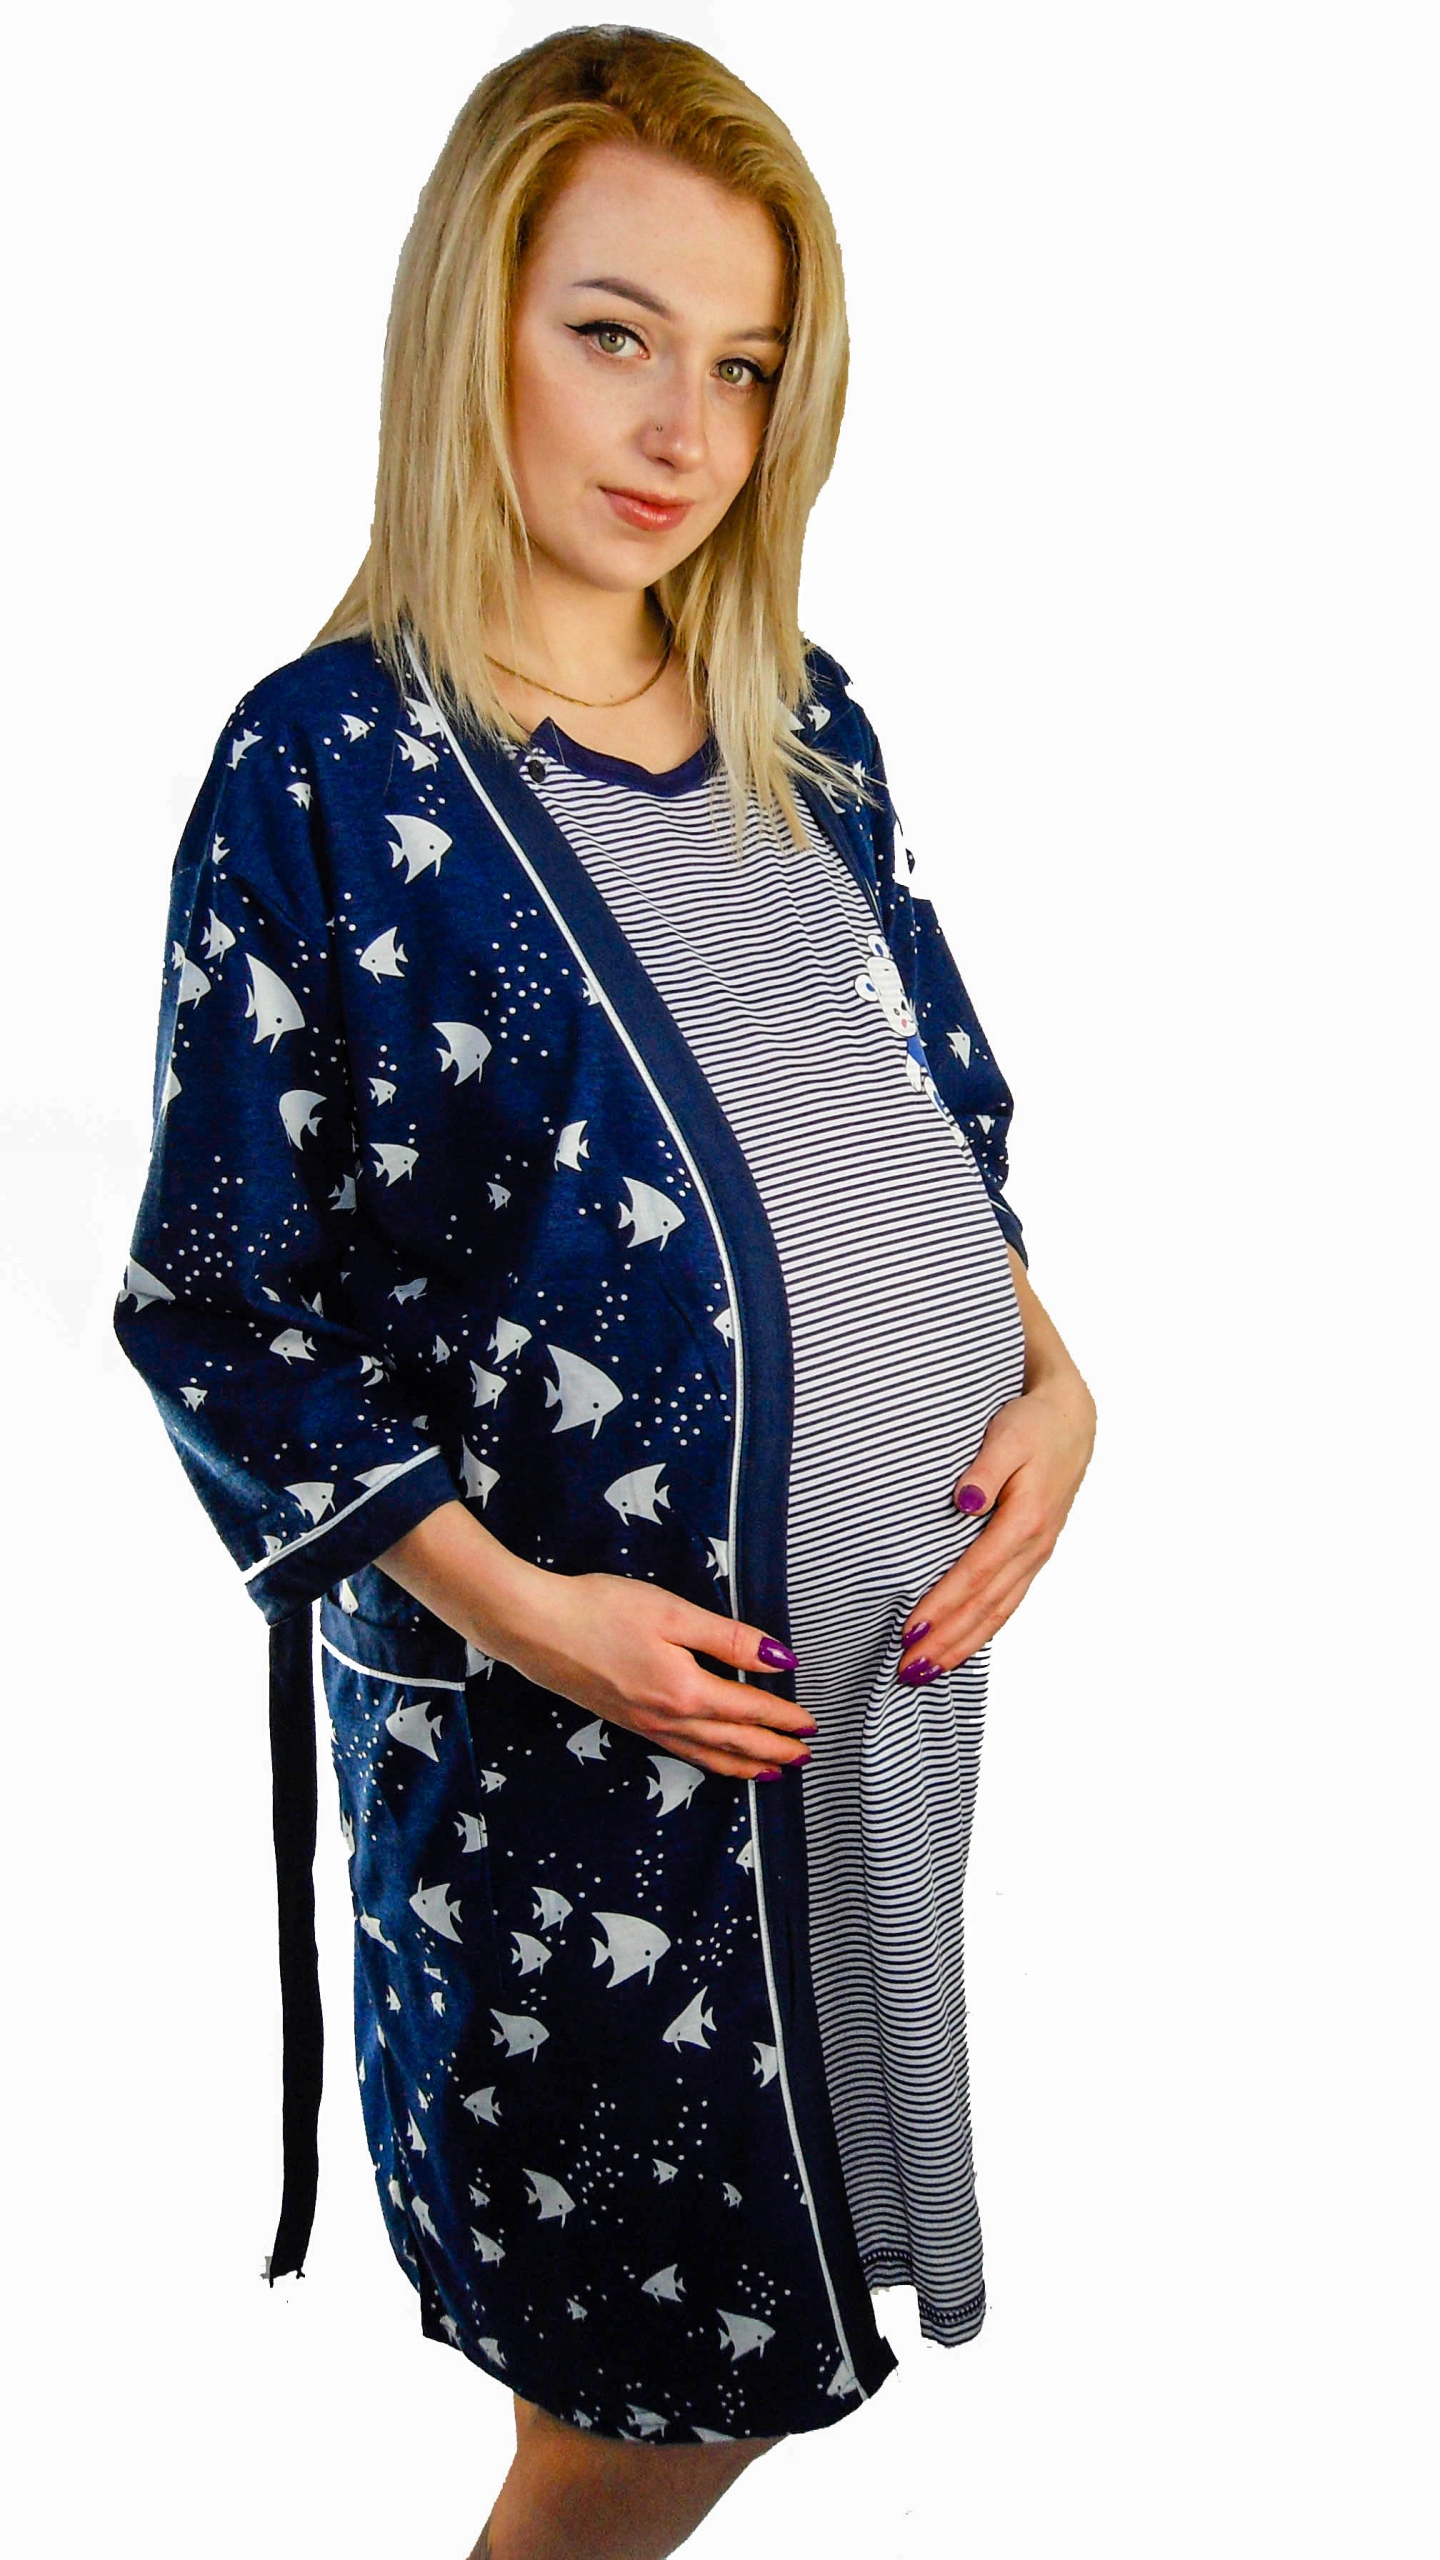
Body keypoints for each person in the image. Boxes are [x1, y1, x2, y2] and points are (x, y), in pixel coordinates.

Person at [113, 26, 1097, 2559]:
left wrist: (1057, 1380)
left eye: (745, 364)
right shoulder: (327, 768)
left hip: (867, 1721)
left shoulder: (803, 723)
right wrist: (533, 1614)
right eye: (616, 333)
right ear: (476, 318)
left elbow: (943, 1121)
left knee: (773, 2324)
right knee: (641, 2394)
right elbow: (224, 1307)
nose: (685, 427)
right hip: (572, 1774)